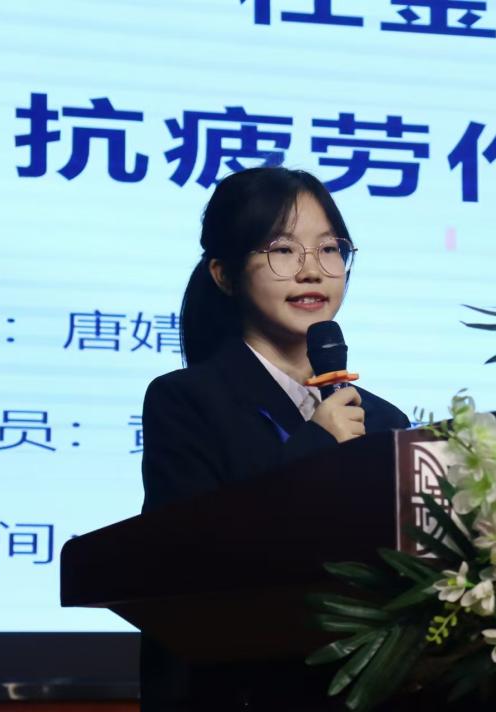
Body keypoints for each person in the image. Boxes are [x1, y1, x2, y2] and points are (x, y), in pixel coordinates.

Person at [139, 167, 411, 710]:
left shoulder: (383, 420)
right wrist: (317, 445)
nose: (312, 271)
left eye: (330, 250)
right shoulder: (186, 402)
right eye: (283, 251)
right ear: (224, 274)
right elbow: (190, 559)